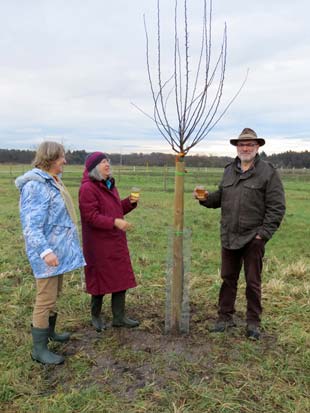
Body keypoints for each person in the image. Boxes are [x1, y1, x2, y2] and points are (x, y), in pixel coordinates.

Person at [194, 128, 285, 340]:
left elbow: (277, 206)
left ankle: (253, 323)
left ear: (257, 147)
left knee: (253, 281)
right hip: (229, 236)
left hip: (253, 238)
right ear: (237, 147)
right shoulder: (229, 170)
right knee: (227, 279)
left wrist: (263, 234)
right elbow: (220, 198)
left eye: (250, 145)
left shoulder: (268, 172)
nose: (245, 148)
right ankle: (224, 317)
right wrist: (205, 198)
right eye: (242, 144)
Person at [15, 141, 85, 364]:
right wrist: (45, 252)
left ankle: (51, 332)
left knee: (55, 295)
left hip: (59, 250)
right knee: (45, 299)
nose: (65, 160)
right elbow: (30, 226)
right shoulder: (35, 186)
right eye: (62, 157)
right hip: (47, 253)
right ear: (51, 158)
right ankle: (39, 349)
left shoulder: (53, 181)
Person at [79, 152, 139, 332]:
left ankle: (119, 317)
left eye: (107, 161)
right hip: (98, 243)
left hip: (115, 241)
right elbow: (90, 216)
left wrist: (129, 202)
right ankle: (95, 316)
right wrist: (114, 222)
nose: (107, 164)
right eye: (103, 162)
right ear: (93, 168)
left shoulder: (109, 184)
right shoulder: (88, 188)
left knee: (120, 277)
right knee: (99, 280)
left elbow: (114, 209)